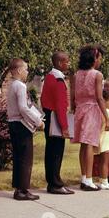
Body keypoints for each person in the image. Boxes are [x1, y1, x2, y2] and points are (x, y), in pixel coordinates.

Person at [71, 45, 109, 191]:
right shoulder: (97, 75)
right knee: (89, 144)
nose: (100, 60)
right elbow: (100, 98)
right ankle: (88, 179)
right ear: (94, 58)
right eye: (99, 58)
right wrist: (106, 117)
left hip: (80, 109)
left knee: (83, 144)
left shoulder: (77, 74)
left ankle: (84, 177)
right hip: (92, 110)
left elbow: (73, 95)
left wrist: (73, 107)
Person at [7, 58, 44, 201]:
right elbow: (24, 107)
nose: (27, 72)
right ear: (18, 70)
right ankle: (23, 190)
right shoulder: (20, 86)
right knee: (25, 158)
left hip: (13, 123)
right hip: (21, 125)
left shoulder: (11, 85)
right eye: (26, 69)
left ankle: (18, 188)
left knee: (18, 157)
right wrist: (38, 121)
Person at [40, 51, 74, 195]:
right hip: (56, 120)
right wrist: (64, 127)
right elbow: (60, 106)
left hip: (49, 117)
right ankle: (56, 184)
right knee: (56, 153)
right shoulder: (58, 80)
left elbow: (43, 99)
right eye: (67, 61)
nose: (69, 63)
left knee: (50, 151)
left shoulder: (49, 77)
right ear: (60, 63)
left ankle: (52, 182)